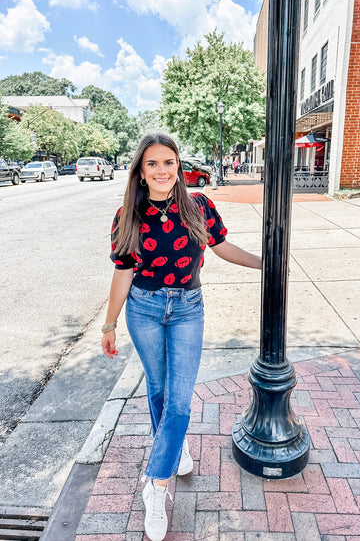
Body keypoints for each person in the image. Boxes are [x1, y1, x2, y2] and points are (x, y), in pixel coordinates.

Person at [101, 132, 261, 541]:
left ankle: (156, 485)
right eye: (152, 163)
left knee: (179, 397)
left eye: (168, 162)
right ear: (140, 170)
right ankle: (174, 449)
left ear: (178, 166)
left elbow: (222, 248)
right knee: (157, 390)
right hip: (145, 309)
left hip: (188, 308)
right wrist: (109, 324)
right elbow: (123, 272)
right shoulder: (127, 216)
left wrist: (266, 264)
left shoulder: (199, 206)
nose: (161, 170)